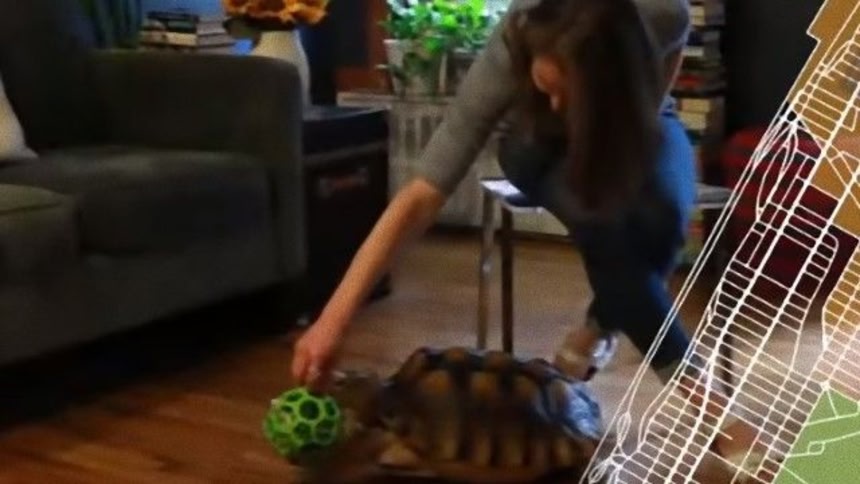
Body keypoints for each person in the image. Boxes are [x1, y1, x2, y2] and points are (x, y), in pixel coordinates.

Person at [292, 0, 760, 476]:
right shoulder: (516, 38)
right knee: (604, 219)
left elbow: (670, 55)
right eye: (547, 85)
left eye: (569, 93)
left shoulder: (663, 11)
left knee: (663, 214)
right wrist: (333, 321)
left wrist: (632, 131)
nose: (558, 101)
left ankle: (599, 325)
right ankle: (716, 412)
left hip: (633, 116)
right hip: (538, 144)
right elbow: (420, 195)